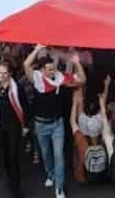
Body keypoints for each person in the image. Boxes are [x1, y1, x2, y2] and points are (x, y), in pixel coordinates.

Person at [23, 45, 86, 198]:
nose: (51, 72)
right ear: (43, 71)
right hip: (41, 125)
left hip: (57, 124)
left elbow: (82, 80)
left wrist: (77, 62)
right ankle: (50, 175)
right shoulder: (37, 78)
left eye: (52, 69)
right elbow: (26, 65)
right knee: (46, 155)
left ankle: (59, 187)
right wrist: (37, 49)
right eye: (48, 69)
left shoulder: (61, 78)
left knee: (59, 156)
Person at [0, 61, 27, 198]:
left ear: (10, 73)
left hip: (14, 125)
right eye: (0, 73)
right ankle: (10, 178)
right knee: (5, 155)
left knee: (13, 156)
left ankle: (16, 187)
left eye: (5, 73)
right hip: (0, 125)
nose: (2, 76)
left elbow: (25, 106)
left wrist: (26, 125)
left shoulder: (17, 88)